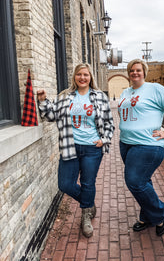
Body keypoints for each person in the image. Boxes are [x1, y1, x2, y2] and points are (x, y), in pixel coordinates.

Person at [37, 63, 114, 238]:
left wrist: (104, 140)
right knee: (65, 184)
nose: (82, 78)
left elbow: (109, 122)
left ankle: (85, 216)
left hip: (92, 148)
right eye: (79, 74)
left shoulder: (100, 97)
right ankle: (89, 203)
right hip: (69, 146)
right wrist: (42, 101)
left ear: (90, 77)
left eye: (86, 75)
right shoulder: (65, 96)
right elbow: (51, 116)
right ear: (75, 77)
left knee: (88, 183)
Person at [118, 59, 164, 236]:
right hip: (126, 143)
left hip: (148, 145)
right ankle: (146, 217)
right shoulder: (126, 91)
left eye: (138, 70)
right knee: (143, 181)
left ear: (144, 72)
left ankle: (161, 212)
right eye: (131, 70)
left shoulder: (155, 89)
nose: (134, 73)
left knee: (134, 181)